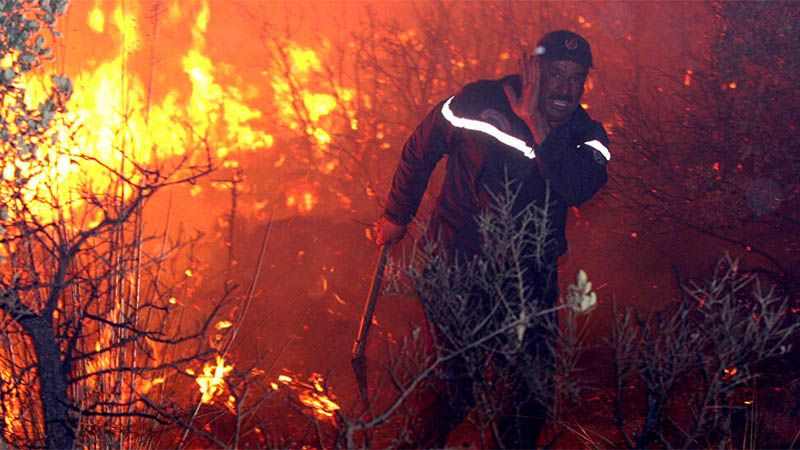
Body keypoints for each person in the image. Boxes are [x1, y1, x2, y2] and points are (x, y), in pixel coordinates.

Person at [373, 30, 610, 448]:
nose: (565, 88)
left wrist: (537, 125)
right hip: (457, 266)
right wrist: (396, 214)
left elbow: (579, 187)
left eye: (576, 78)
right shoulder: (477, 103)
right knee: (453, 389)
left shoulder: (587, 135)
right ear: (532, 69)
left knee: (529, 396)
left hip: (529, 280)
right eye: (556, 73)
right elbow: (420, 148)